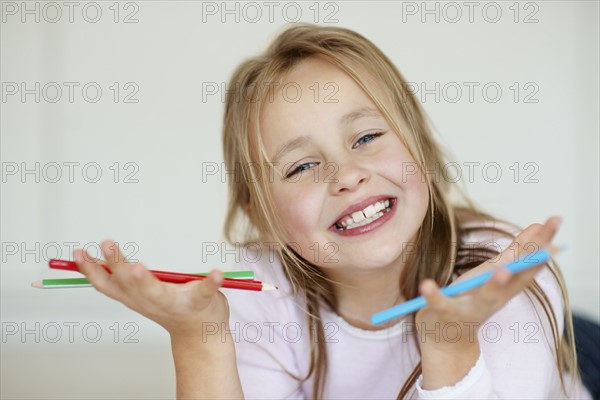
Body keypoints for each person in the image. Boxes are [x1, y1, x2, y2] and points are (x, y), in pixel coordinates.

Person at [73, 24, 592, 399]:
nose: (347, 175)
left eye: (366, 136)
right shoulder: (256, 294)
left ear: (421, 149)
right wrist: (198, 340)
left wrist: (449, 344)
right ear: (264, 219)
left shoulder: (497, 272)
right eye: (300, 167)